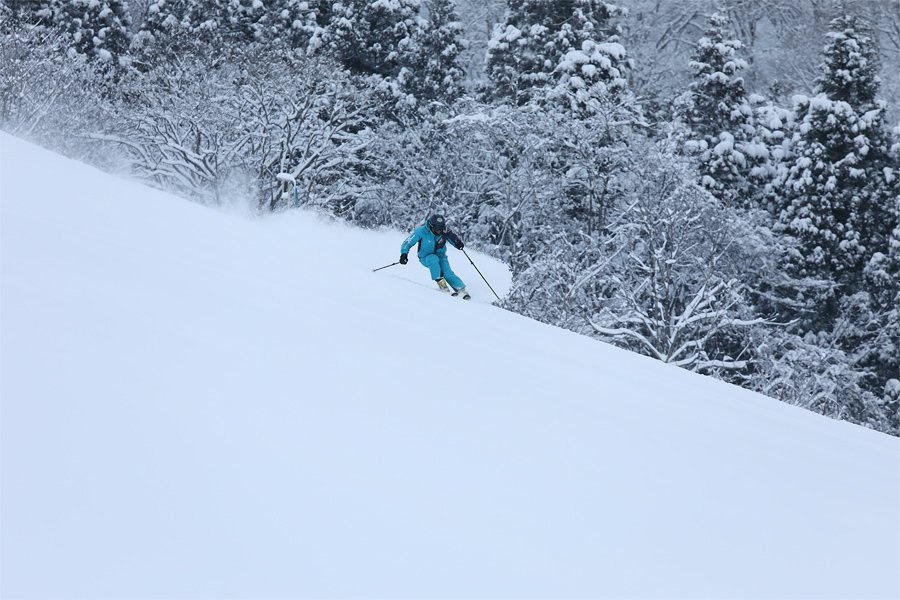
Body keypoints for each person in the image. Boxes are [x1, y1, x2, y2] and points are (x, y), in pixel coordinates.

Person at [400, 214, 470, 299]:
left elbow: (453, 238)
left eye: (441, 228)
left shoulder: (444, 231)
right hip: (426, 257)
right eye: (437, 229)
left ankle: (461, 290)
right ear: (431, 226)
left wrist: (457, 243)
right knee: (433, 259)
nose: (439, 231)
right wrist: (404, 254)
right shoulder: (421, 231)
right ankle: (442, 284)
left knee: (447, 273)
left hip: (441, 256)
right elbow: (407, 242)